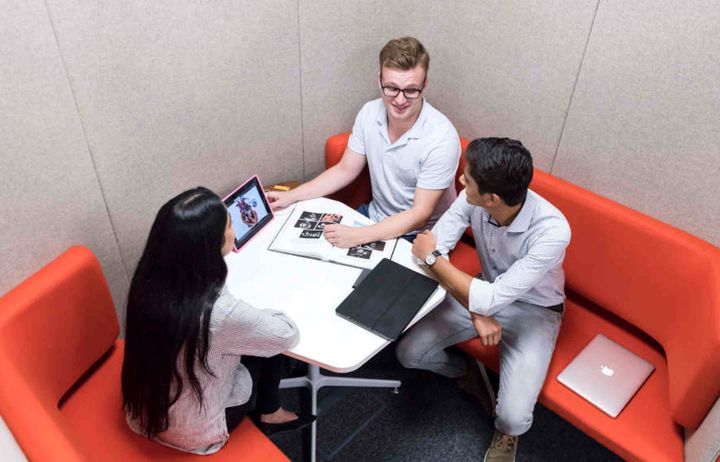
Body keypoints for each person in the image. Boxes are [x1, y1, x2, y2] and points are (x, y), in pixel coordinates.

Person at [396, 138, 571, 462]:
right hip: (481, 291)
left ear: (491, 198)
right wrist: (476, 309)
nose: (461, 180)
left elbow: (430, 256)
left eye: (468, 178)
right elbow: (436, 248)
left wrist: (436, 262)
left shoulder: (552, 231)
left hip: (536, 310)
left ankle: (505, 433)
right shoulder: (473, 198)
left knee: (513, 419)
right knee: (409, 353)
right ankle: (466, 373)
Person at [121, 187, 314, 455]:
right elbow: (285, 334)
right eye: (231, 224)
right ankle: (271, 412)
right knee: (269, 343)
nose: (234, 230)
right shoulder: (219, 313)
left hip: (144, 412)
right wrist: (269, 311)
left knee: (250, 335)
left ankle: (269, 407)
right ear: (212, 244)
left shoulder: (149, 282)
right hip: (195, 431)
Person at [267, 36, 460, 248]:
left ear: (424, 86)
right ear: (379, 81)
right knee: (307, 250)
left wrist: (359, 236)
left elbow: (420, 214)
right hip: (374, 217)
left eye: (411, 90)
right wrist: (292, 196)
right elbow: (344, 170)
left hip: (420, 235)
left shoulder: (441, 138)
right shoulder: (369, 113)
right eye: (392, 88)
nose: (400, 100)